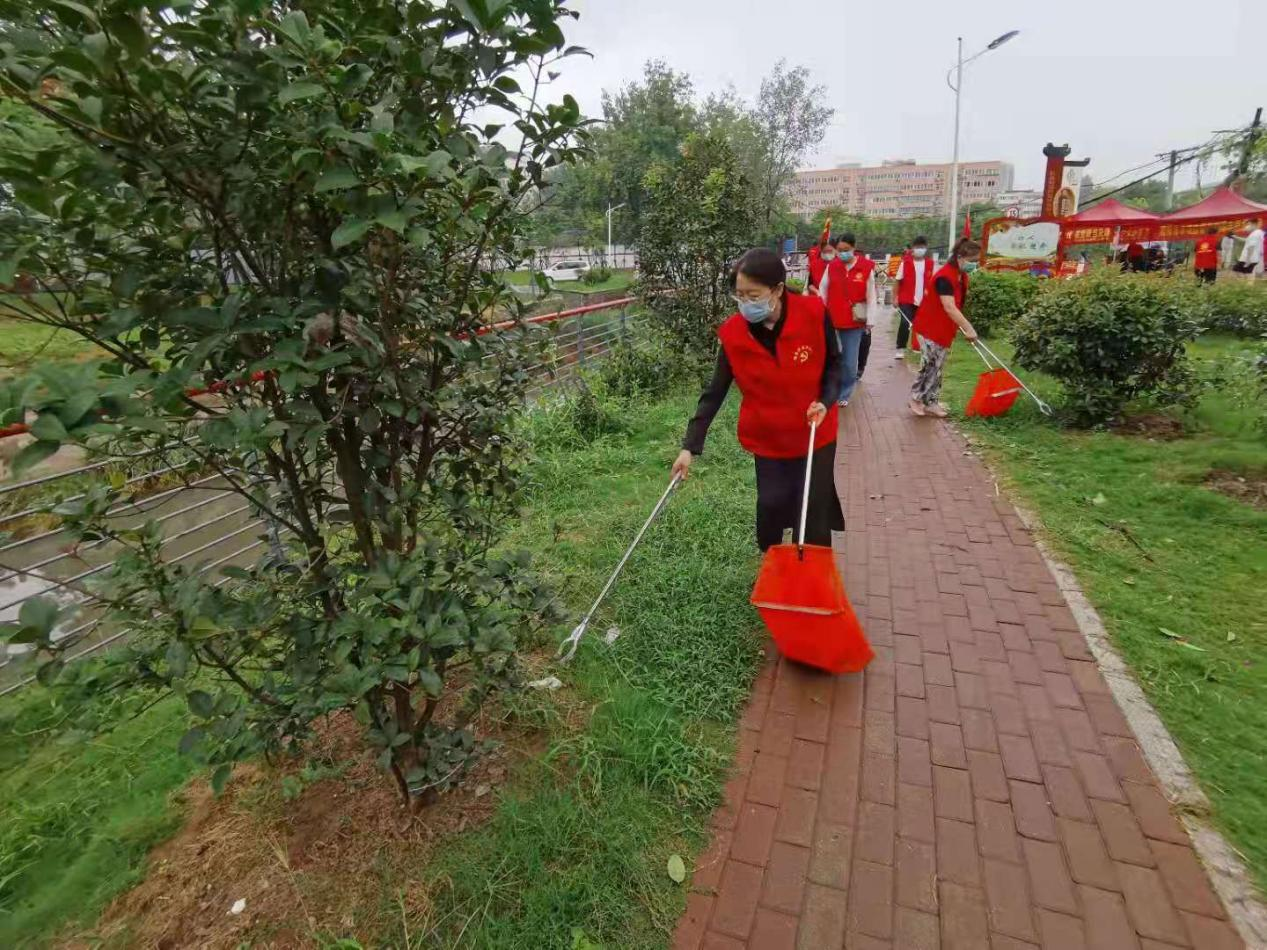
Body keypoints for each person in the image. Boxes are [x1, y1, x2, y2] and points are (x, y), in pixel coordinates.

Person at [674, 249, 844, 551]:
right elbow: (714, 393)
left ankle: (814, 577)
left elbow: (834, 365)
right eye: (739, 296)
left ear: (777, 289)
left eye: (753, 295)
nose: (745, 304)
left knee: (812, 509)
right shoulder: (734, 334)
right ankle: (773, 567)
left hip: (814, 432)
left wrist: (826, 401)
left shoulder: (814, 313)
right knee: (771, 504)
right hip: (769, 437)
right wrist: (689, 447)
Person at [909, 237, 981, 418]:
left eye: (977, 261)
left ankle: (931, 401)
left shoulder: (961, 276)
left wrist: (961, 326)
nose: (974, 265)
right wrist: (968, 327)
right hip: (929, 327)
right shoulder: (945, 277)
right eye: (972, 261)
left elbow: (957, 305)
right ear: (960, 257)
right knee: (929, 365)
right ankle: (916, 399)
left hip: (944, 329)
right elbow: (949, 306)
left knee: (938, 367)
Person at [819, 232, 876, 407]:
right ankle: (830, 390)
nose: (842, 253)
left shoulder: (866, 267)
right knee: (832, 356)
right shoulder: (832, 267)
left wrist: (870, 320)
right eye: (839, 250)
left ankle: (844, 392)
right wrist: (819, 314)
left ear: (853, 247)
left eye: (846, 250)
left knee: (850, 362)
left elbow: (871, 296)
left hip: (854, 322)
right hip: (832, 320)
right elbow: (823, 291)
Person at [892, 236, 933, 358]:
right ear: (913, 248)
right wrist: (895, 297)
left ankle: (918, 347)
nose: (920, 249)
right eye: (917, 247)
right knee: (905, 323)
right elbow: (897, 281)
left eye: (922, 247)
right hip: (907, 299)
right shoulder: (905, 263)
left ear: (926, 248)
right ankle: (900, 348)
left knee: (921, 325)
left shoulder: (930, 264)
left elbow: (932, 281)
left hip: (923, 300)